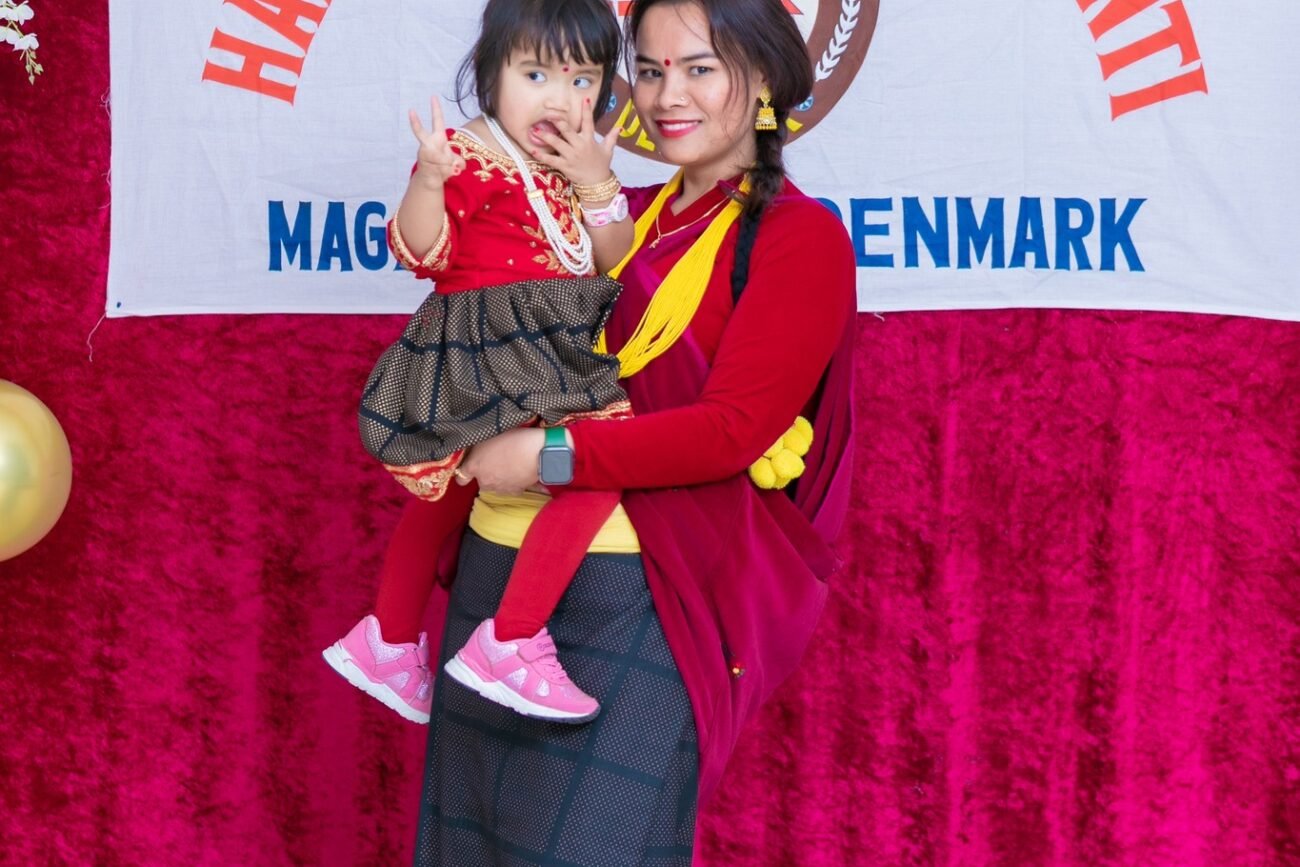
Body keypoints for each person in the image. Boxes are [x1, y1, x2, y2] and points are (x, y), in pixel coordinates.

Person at [410, 0, 858, 862]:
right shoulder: (615, 213)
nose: (666, 96)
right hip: (497, 572)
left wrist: (545, 454)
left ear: (765, 78)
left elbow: (728, 432)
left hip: (637, 593)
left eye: (699, 69)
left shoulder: (798, 238)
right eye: (649, 71)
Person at [323, 0, 639, 726]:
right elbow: (420, 251)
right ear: (491, 73)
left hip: (548, 347)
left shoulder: (573, 159)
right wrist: (429, 181)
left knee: (456, 486)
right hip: (488, 347)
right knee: (597, 463)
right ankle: (513, 637)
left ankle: (389, 638)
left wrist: (597, 181)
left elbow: (613, 260)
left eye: (582, 80)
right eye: (536, 74)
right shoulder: (468, 152)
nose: (559, 99)